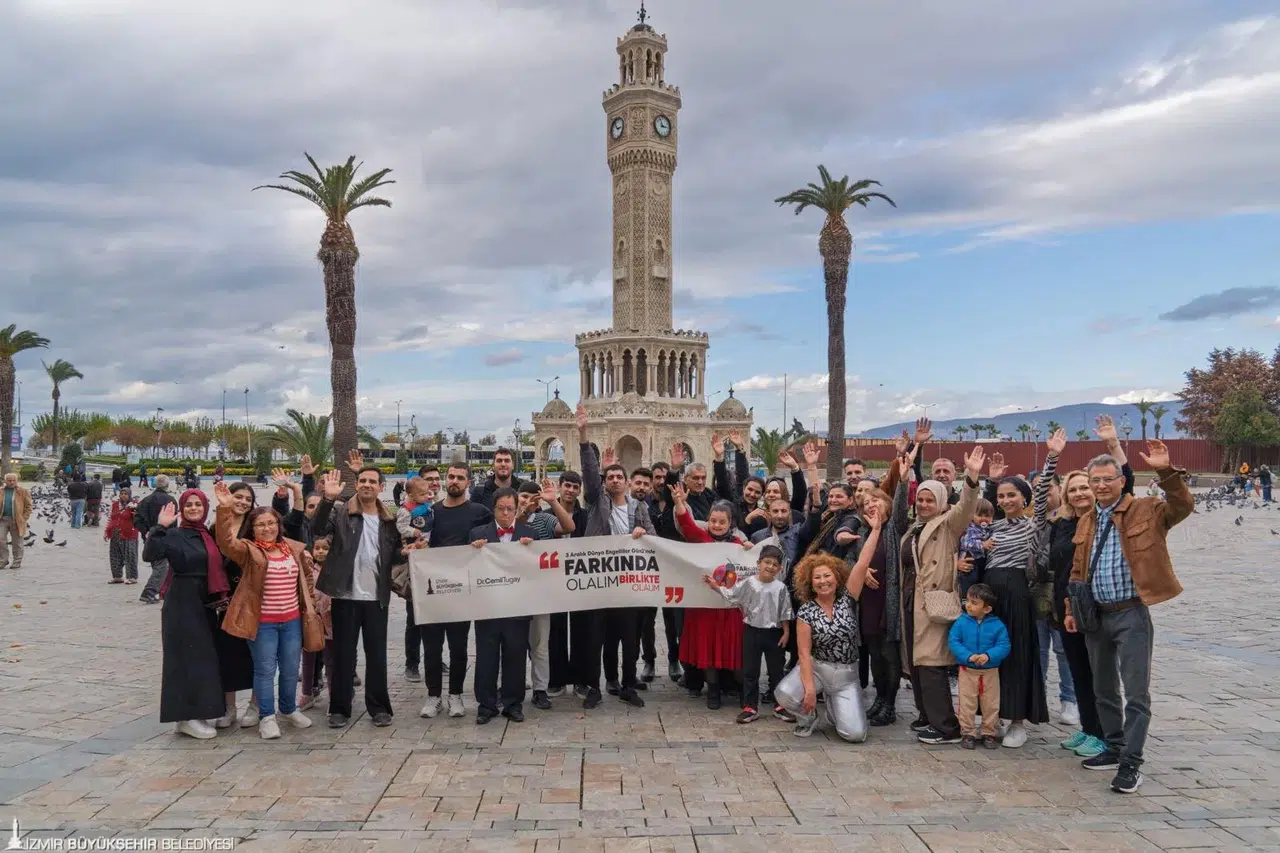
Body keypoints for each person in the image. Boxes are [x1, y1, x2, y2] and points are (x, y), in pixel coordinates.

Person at [1064, 439, 1193, 794]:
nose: (1101, 486)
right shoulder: (1086, 521)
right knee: (1103, 688)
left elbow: (1183, 505)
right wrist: (1071, 610)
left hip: (1131, 613)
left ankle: (1132, 762)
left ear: (1122, 479)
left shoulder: (1147, 510)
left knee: (1136, 692)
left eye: (1108, 479)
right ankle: (1114, 746)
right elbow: (1078, 571)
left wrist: (1165, 471)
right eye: (1096, 481)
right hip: (1096, 617)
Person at [213, 482, 322, 740]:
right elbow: (226, 541)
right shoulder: (249, 550)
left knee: (289, 666)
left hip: (292, 621)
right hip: (263, 623)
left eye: (271, 523)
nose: (267, 528)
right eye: (261, 524)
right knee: (264, 670)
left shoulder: (294, 549)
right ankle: (267, 716)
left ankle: (288, 709)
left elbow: (306, 577)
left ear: (278, 525)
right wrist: (224, 509)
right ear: (253, 528)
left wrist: (311, 606)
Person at [978, 431, 1063, 748]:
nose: (1005, 500)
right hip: (990, 595)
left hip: (1016, 594)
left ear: (1024, 498)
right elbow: (980, 506)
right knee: (990, 658)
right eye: (1001, 496)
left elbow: (1042, 497)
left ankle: (1017, 722)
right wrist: (991, 481)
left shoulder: (1033, 524)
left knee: (1016, 657)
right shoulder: (992, 526)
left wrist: (1051, 457)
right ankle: (994, 716)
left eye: (1011, 495)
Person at [901, 446, 985, 745]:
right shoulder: (915, 526)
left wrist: (971, 477)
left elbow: (966, 507)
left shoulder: (948, 524)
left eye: (930, 500)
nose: (924, 504)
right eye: (921, 499)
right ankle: (927, 716)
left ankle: (946, 727)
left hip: (934, 602)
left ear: (941, 501)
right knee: (918, 662)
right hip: (911, 601)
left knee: (933, 663)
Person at [572, 403, 654, 709]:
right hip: (600, 579)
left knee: (629, 639)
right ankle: (595, 686)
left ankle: (628, 685)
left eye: (620, 476)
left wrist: (643, 536)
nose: (616, 480)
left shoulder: (639, 508)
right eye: (611, 477)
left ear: (628, 482)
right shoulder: (597, 503)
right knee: (597, 637)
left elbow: (655, 539)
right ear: (606, 483)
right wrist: (583, 434)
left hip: (629, 581)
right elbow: (590, 474)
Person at [312, 455, 403, 729]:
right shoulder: (341, 512)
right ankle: (340, 708)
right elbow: (316, 529)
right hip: (345, 595)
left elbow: (395, 553)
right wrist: (327, 499)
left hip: (376, 598)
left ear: (381, 487)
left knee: (377, 655)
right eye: (362, 480)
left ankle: (379, 707)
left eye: (372, 481)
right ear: (357, 484)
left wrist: (408, 552)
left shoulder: (388, 520)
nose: (366, 485)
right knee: (343, 655)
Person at [143, 490, 228, 739]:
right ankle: (185, 716)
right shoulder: (174, 534)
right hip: (183, 601)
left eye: (197, 504)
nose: (193, 508)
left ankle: (196, 712)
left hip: (205, 601)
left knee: (202, 658)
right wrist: (160, 526)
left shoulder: (206, 534)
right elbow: (150, 554)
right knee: (185, 658)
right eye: (188, 504)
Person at [414, 461, 492, 719]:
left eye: (460, 477)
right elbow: (415, 540)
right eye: (451, 476)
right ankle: (433, 696)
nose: (454, 481)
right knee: (432, 648)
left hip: (462, 591)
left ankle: (455, 695)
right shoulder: (432, 512)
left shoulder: (480, 512)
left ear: (468, 482)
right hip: (433, 590)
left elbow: (496, 540)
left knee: (458, 648)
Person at [773, 547, 876, 742]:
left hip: (846, 675)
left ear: (837, 578)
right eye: (817, 578)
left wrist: (876, 529)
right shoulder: (806, 612)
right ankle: (808, 717)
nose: (823, 581)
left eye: (827, 576)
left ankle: (834, 707)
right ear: (810, 583)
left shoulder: (848, 599)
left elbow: (862, 563)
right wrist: (810, 690)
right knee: (784, 694)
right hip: (818, 669)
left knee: (855, 735)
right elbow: (804, 654)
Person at [672, 483, 747, 710]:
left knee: (733, 649)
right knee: (708, 649)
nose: (716, 525)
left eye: (721, 521)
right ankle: (712, 689)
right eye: (713, 520)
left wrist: (750, 548)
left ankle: (745, 690)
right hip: (704, 608)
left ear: (730, 523)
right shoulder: (700, 538)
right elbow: (686, 523)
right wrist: (679, 502)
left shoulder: (738, 544)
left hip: (729, 610)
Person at [467, 488, 538, 723]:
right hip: (488, 607)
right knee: (486, 657)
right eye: (501, 508)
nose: (506, 513)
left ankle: (513, 703)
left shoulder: (529, 533)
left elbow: (537, 570)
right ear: (494, 509)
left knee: (515, 656)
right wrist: (473, 551)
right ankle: (486, 705)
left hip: (517, 608)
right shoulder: (478, 533)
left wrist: (531, 551)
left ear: (517, 509)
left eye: (510, 509)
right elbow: (467, 567)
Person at [703, 544, 793, 723]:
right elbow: (731, 594)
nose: (770, 567)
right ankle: (750, 706)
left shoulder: (780, 588)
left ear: (780, 568)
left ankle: (780, 705)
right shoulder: (749, 583)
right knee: (750, 672)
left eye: (775, 564)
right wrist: (715, 587)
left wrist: (786, 632)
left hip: (774, 634)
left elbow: (785, 611)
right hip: (751, 632)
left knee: (776, 671)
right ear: (759, 563)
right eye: (767, 562)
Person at [857, 459, 910, 727]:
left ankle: (889, 704)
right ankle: (878, 699)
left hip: (888, 602)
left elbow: (901, 507)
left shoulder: (895, 528)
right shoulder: (863, 532)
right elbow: (852, 563)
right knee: (875, 654)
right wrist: (861, 572)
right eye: (866, 503)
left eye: (876, 500)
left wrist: (903, 479)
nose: (871, 505)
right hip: (868, 602)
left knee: (889, 654)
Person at [516, 479, 575, 710]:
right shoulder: (508, 518)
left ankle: (540, 688)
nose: (528, 501)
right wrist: (519, 513)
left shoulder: (546, 519)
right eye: (523, 497)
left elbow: (569, 527)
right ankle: (512, 685)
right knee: (512, 643)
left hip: (540, 592)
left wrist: (553, 502)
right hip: (514, 591)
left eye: (533, 498)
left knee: (540, 643)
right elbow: (509, 532)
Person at [212, 482, 259, 729]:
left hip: (251, 598)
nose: (242, 502)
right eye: (237, 497)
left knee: (256, 655)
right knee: (227, 655)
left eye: (247, 499)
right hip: (225, 600)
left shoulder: (255, 528)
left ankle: (255, 705)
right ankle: (229, 708)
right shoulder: (215, 526)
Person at [948, 583, 1011, 749]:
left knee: (991, 703)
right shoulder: (961, 622)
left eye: (974, 603)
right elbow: (954, 641)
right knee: (967, 702)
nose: (968, 605)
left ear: (987, 608)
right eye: (968, 600)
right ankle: (968, 732)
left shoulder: (997, 625)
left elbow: (1004, 645)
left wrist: (988, 656)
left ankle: (988, 732)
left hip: (990, 671)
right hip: (967, 670)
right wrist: (968, 656)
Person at [299, 536, 333, 711]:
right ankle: (307, 692)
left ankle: (334, 695)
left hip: (330, 623)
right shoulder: (307, 570)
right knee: (308, 657)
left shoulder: (335, 570)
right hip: (311, 620)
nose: (320, 551)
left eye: (325, 548)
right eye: (317, 548)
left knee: (330, 659)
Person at [135, 475, 177, 604]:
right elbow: (173, 522)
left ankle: (160, 591)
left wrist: (146, 531)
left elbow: (136, 520)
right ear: (167, 485)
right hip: (164, 538)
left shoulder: (145, 500)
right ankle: (150, 592)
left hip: (149, 538)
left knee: (156, 565)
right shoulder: (170, 500)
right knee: (161, 567)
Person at [105, 486, 141, 584]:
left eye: (125, 494)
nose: (123, 496)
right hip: (115, 533)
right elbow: (110, 518)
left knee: (130, 555)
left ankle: (132, 577)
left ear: (129, 495)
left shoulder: (134, 505)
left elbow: (140, 520)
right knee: (115, 554)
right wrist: (106, 532)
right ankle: (117, 576)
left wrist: (135, 515)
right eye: (122, 493)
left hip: (129, 533)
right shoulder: (115, 505)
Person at [0, 472, 33, 571]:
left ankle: (16, 562)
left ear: (17, 481)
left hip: (17, 520)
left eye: (14, 480)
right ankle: (3, 560)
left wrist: (24, 518)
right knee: (0, 540)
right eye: (9, 480)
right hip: (3, 520)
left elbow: (29, 506)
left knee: (17, 542)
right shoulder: (1, 491)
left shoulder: (23, 491)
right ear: (5, 481)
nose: (11, 482)